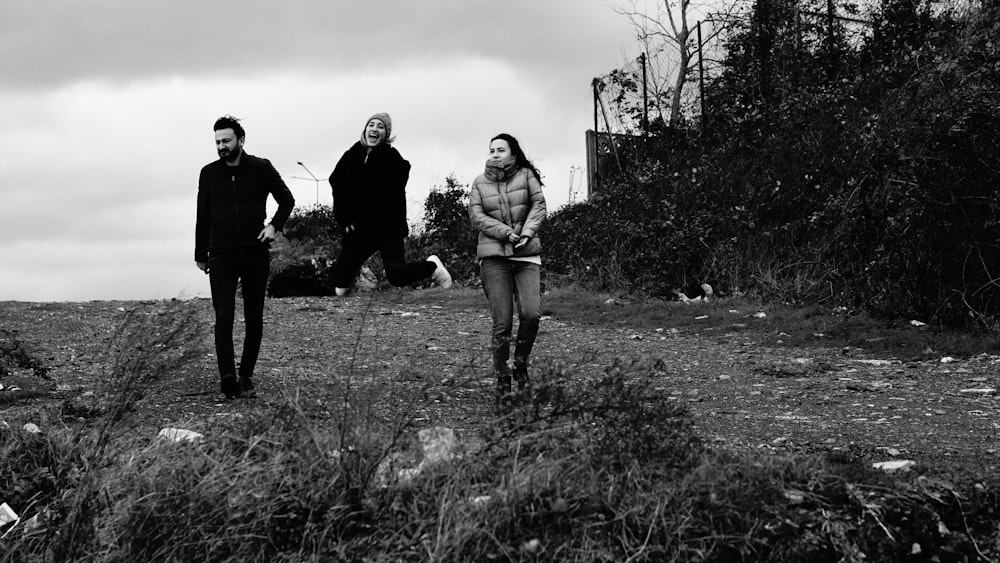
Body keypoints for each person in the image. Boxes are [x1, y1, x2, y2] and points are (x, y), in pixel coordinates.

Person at [195, 115, 295, 400]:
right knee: (223, 315)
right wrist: (200, 254)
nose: (221, 146)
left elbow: (287, 199)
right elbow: (202, 215)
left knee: (253, 316)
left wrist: (274, 226)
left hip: (254, 251)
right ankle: (227, 376)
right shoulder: (209, 173)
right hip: (221, 254)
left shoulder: (261, 168)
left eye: (226, 141)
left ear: (240, 140)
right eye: (217, 142)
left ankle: (246, 376)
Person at [327, 112, 452, 294]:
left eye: (381, 126)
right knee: (339, 280)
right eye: (372, 124)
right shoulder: (352, 154)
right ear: (365, 129)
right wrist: (344, 218)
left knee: (397, 277)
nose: (375, 129)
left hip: (387, 228)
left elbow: (398, 176)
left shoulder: (392, 158)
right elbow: (336, 182)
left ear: (386, 134)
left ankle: (431, 266)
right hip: (360, 229)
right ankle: (349, 280)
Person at [468, 133, 547, 406]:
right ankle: (502, 379)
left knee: (531, 316)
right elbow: (477, 216)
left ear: (513, 153)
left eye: (500, 150)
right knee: (502, 323)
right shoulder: (479, 182)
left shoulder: (526, 175)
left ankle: (520, 365)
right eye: (491, 150)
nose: (494, 154)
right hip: (494, 259)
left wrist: (526, 233)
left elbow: (539, 205)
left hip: (526, 257)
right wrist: (505, 233)